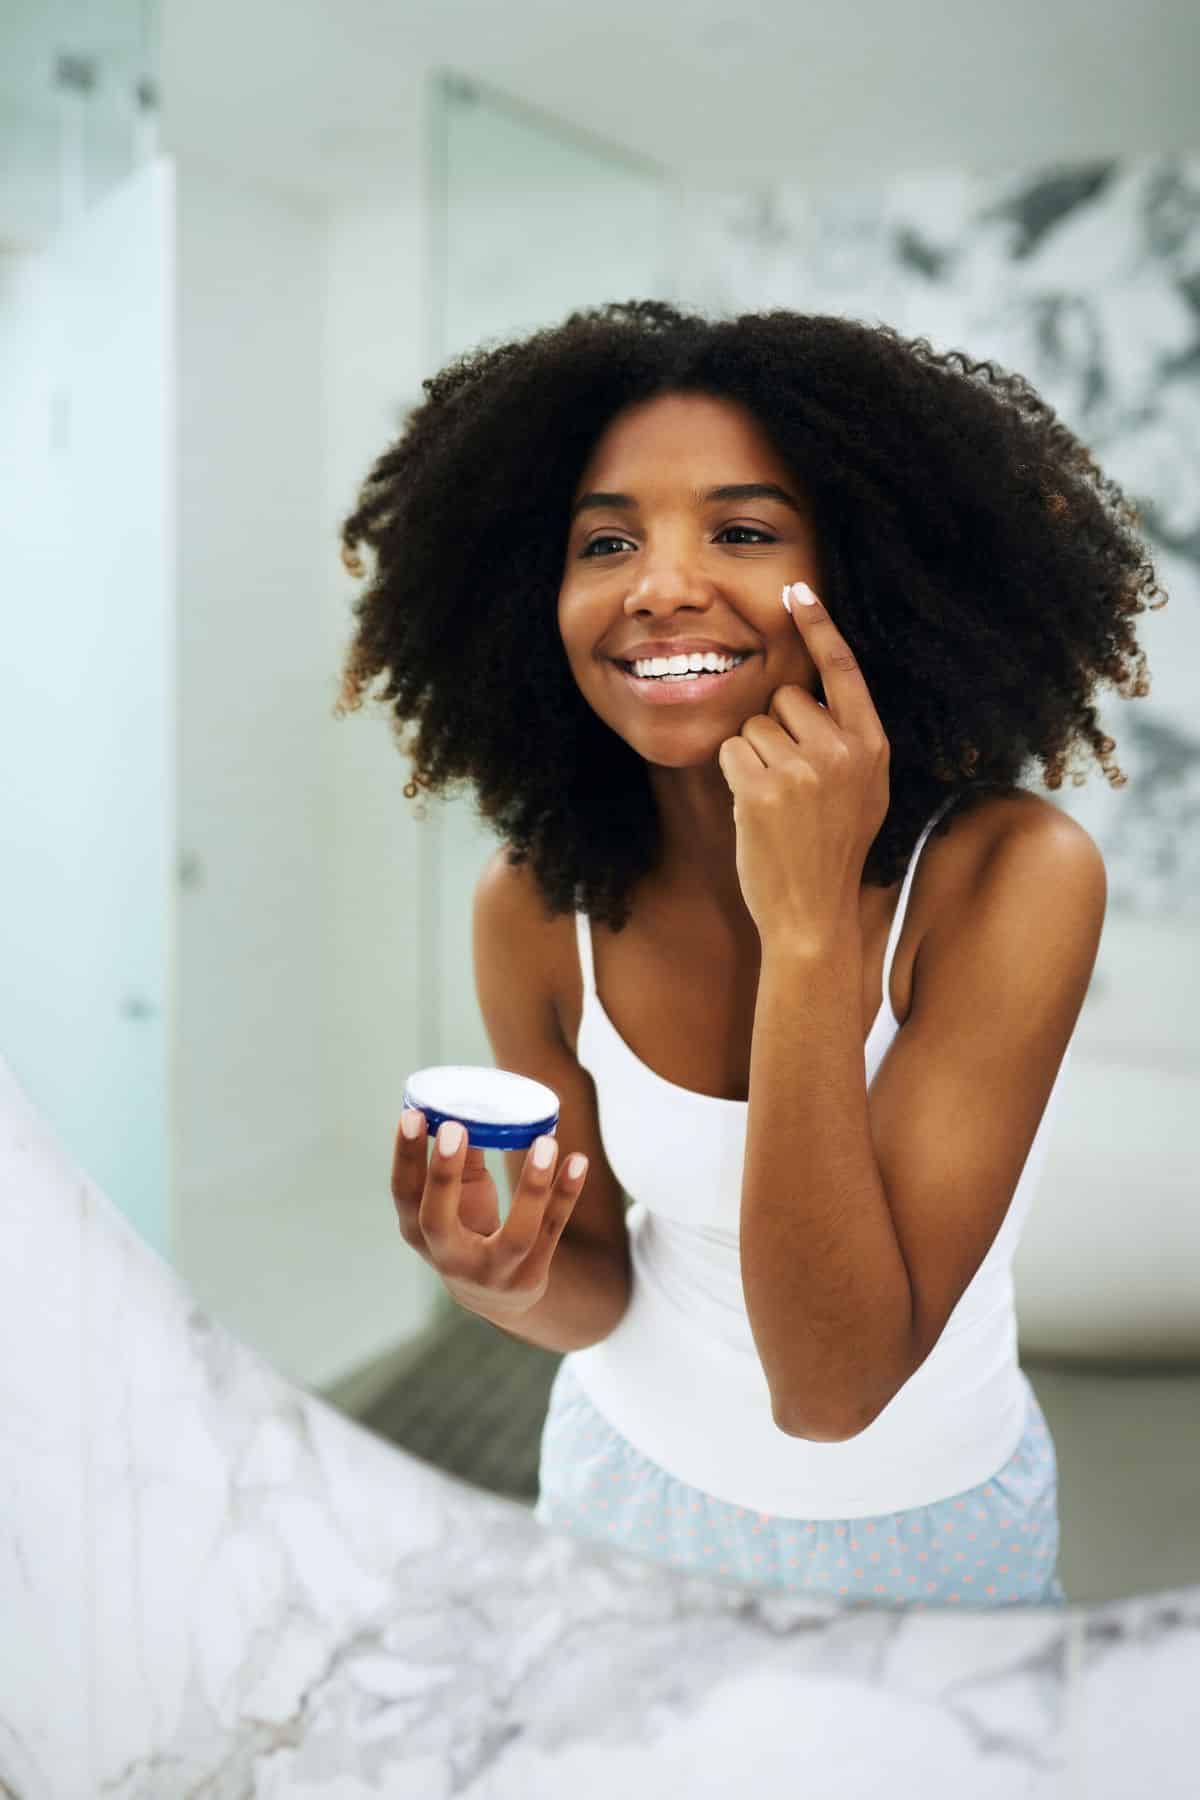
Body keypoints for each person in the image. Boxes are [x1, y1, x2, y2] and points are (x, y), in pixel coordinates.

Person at [338, 301, 1165, 1608]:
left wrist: (806, 926)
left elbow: (833, 1391)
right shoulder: (534, 907)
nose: (661, 583)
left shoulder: (1012, 875)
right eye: (606, 540)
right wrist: (501, 1279)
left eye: (741, 529)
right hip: (621, 1489)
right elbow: (599, 1288)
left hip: (924, 1534)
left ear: (867, 576)